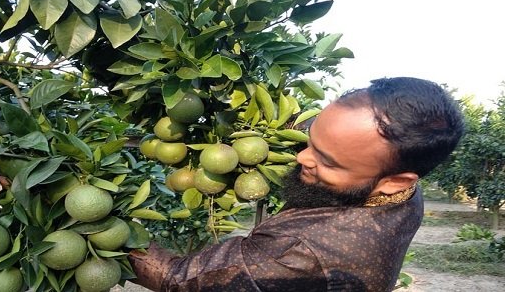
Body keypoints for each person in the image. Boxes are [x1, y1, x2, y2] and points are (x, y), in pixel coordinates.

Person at [128, 77, 465, 292]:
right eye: (311, 138)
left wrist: (112, 229)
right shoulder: (401, 190)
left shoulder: (301, 251)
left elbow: (179, 279)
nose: (302, 157)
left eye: (328, 161)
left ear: (394, 182)